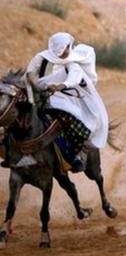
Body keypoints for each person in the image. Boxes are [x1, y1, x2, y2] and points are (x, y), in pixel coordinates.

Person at [25, 32, 108, 172]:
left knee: (73, 119)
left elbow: (74, 76)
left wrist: (61, 86)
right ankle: (12, 153)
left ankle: (76, 155)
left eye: (66, 48)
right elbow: (30, 73)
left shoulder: (71, 61)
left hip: (58, 97)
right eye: (62, 49)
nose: (65, 52)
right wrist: (40, 86)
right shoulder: (41, 57)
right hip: (34, 94)